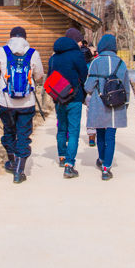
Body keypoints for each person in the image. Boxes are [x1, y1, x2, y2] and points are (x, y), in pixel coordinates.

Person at [0, 26, 44, 184]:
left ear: (10, 37)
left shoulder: (2, 51)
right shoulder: (33, 53)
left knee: (9, 132)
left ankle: (12, 162)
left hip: (6, 103)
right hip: (27, 103)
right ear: (25, 38)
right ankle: (19, 171)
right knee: (23, 135)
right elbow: (39, 76)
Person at [84, 34, 130, 181]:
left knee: (101, 135)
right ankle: (106, 169)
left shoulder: (95, 63)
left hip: (99, 104)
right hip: (116, 105)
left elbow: (88, 87)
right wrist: (126, 104)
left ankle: (102, 158)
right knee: (111, 136)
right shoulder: (121, 63)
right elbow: (126, 87)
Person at [48, 28, 88, 178]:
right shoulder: (77, 55)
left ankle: (62, 157)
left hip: (59, 99)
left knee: (61, 129)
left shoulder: (54, 57)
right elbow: (84, 76)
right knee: (73, 132)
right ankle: (69, 165)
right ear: (74, 40)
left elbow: (50, 78)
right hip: (74, 99)